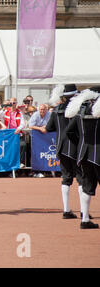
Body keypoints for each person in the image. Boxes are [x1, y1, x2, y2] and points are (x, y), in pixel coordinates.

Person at [45, 84, 84, 220]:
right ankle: (83, 212)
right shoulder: (79, 109)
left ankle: (66, 210)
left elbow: (49, 128)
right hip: (76, 147)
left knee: (66, 178)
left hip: (61, 147)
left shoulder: (56, 110)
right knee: (81, 179)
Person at [66, 86, 100, 229]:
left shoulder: (80, 111)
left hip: (83, 153)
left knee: (86, 186)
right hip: (98, 152)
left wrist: (80, 144)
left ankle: (85, 219)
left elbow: (69, 131)